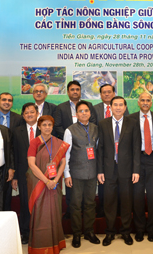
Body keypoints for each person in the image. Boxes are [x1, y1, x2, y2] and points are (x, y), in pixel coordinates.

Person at [97, 96, 141, 246]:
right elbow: (100, 148)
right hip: (109, 170)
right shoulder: (103, 124)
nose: (117, 107)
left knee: (126, 203)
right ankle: (109, 233)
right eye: (115, 105)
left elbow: (136, 148)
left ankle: (126, 232)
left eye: (120, 105)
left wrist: (136, 170)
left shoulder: (133, 123)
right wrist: (100, 170)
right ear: (110, 107)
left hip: (127, 170)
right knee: (109, 203)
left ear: (125, 106)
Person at [26, 115, 70, 254]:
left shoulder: (58, 142)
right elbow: (31, 164)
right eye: (44, 125)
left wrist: (55, 180)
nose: (47, 127)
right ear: (39, 127)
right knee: (40, 213)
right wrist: (46, 181)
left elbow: (63, 163)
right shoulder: (34, 143)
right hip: (38, 183)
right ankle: (40, 245)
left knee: (54, 212)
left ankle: (56, 244)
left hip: (55, 184)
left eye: (49, 125)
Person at [53, 80, 97, 219]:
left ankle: (88, 229)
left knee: (89, 201)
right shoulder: (61, 108)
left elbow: (94, 126)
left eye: (77, 89)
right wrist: (69, 134)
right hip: (72, 157)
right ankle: (75, 226)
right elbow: (57, 126)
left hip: (90, 167)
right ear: (68, 92)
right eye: (72, 89)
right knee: (74, 199)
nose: (75, 92)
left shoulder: (90, 110)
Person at [64, 101, 101, 248]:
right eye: (81, 111)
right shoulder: (70, 130)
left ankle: (89, 232)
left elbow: (98, 150)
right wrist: (67, 174)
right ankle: (77, 234)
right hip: (76, 174)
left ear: (90, 113)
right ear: (76, 114)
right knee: (75, 205)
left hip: (92, 173)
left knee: (90, 204)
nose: (84, 113)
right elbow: (66, 154)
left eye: (86, 111)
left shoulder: (96, 129)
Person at [129, 92, 153, 242]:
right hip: (137, 160)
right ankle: (139, 229)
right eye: (142, 100)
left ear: (151, 102)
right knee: (137, 197)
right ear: (138, 102)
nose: (145, 102)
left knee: (152, 197)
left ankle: (151, 229)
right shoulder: (130, 119)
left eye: (148, 100)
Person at [93, 83, 129, 217]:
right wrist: (100, 168)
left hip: (124, 164)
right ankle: (108, 224)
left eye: (109, 92)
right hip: (107, 161)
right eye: (104, 92)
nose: (107, 94)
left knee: (124, 197)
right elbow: (99, 144)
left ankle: (124, 227)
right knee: (107, 196)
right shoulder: (97, 113)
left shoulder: (127, 117)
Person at [12, 103, 40, 244]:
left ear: (37, 113)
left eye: (32, 112)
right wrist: (15, 176)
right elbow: (14, 154)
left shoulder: (44, 130)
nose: (29, 114)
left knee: (39, 204)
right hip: (23, 174)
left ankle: (39, 231)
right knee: (24, 204)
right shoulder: (17, 131)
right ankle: (25, 232)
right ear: (23, 115)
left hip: (41, 175)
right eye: (26, 112)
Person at [0, 92, 24, 211]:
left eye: (9, 100)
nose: (7, 102)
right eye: (4, 100)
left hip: (11, 160)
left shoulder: (18, 118)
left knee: (7, 196)